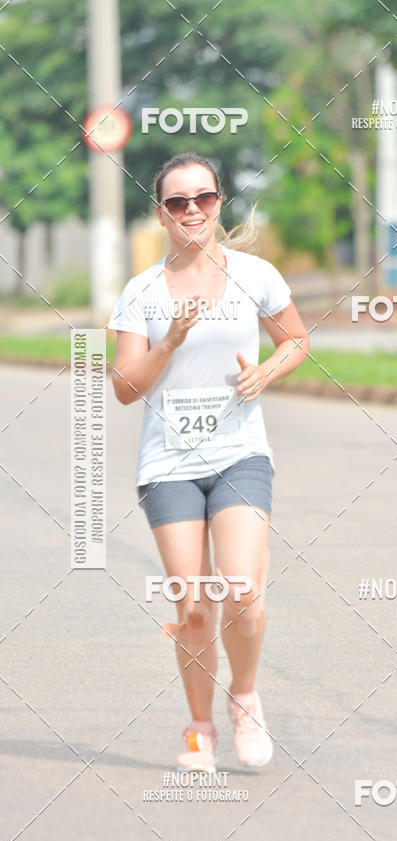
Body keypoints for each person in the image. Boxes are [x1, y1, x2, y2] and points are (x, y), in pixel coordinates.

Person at [108, 152, 309, 773]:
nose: (192, 210)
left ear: (220, 202)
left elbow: (296, 341)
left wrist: (266, 374)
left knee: (243, 593)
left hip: (239, 454)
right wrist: (169, 339)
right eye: (177, 202)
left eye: (203, 198)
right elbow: (123, 387)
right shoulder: (142, 291)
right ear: (161, 212)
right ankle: (200, 729)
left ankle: (244, 700)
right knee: (193, 607)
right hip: (168, 464)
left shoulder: (255, 275)